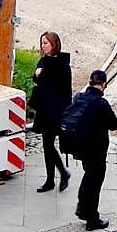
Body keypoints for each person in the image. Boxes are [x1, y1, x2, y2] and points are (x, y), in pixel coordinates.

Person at [62, 67, 117, 230]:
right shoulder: (101, 103)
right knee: (94, 182)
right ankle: (92, 218)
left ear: (90, 82)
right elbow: (114, 124)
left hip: (80, 148)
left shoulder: (79, 97)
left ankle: (83, 209)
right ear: (103, 84)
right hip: (96, 150)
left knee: (88, 178)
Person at [27, 31, 75, 193]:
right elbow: (37, 80)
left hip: (56, 111)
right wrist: (37, 74)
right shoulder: (44, 61)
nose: (43, 46)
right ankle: (52, 178)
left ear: (54, 44)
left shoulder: (62, 65)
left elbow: (66, 92)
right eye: (42, 43)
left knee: (49, 144)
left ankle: (61, 173)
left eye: (46, 43)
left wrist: (65, 114)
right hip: (44, 109)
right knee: (47, 145)